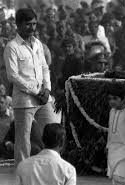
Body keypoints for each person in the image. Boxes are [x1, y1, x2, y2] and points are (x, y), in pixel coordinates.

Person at [4, 8, 59, 166]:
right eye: (28, 24)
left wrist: (47, 89)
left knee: (53, 131)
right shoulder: (12, 47)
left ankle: (52, 167)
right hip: (24, 100)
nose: (32, 28)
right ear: (18, 25)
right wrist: (36, 91)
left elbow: (44, 67)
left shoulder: (38, 44)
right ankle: (22, 175)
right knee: (23, 139)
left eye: (34, 24)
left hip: (43, 97)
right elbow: (13, 76)